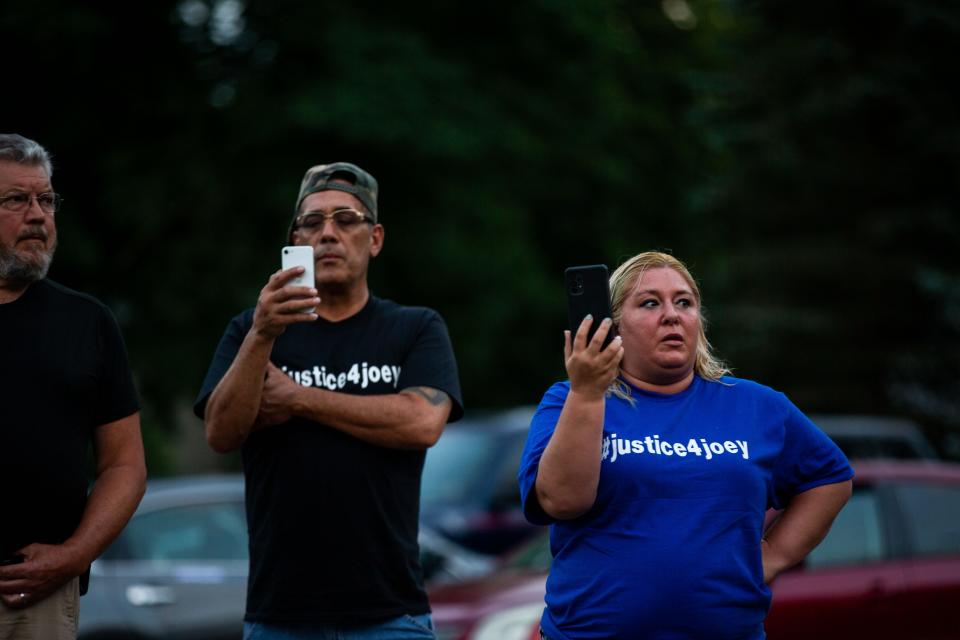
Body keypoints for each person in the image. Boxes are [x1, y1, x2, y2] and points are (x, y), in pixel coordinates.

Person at [518, 251, 853, 640]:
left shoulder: (756, 405)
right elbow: (561, 500)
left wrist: (772, 556)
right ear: (613, 326)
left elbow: (830, 477)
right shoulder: (570, 399)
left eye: (684, 302)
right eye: (649, 303)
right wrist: (589, 390)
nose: (672, 315)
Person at [195, 162, 463, 640]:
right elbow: (220, 432)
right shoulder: (252, 329)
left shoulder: (415, 328)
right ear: (295, 240)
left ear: (375, 238)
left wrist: (297, 399)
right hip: (280, 616)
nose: (328, 233)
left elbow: (421, 423)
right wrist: (262, 333)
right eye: (312, 222)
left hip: (390, 613)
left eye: (346, 218)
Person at [0, 134, 146, 640]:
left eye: (46, 200)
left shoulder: (86, 322)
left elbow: (124, 465)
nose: (38, 215)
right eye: (16, 200)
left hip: (33, 598)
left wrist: (73, 555)